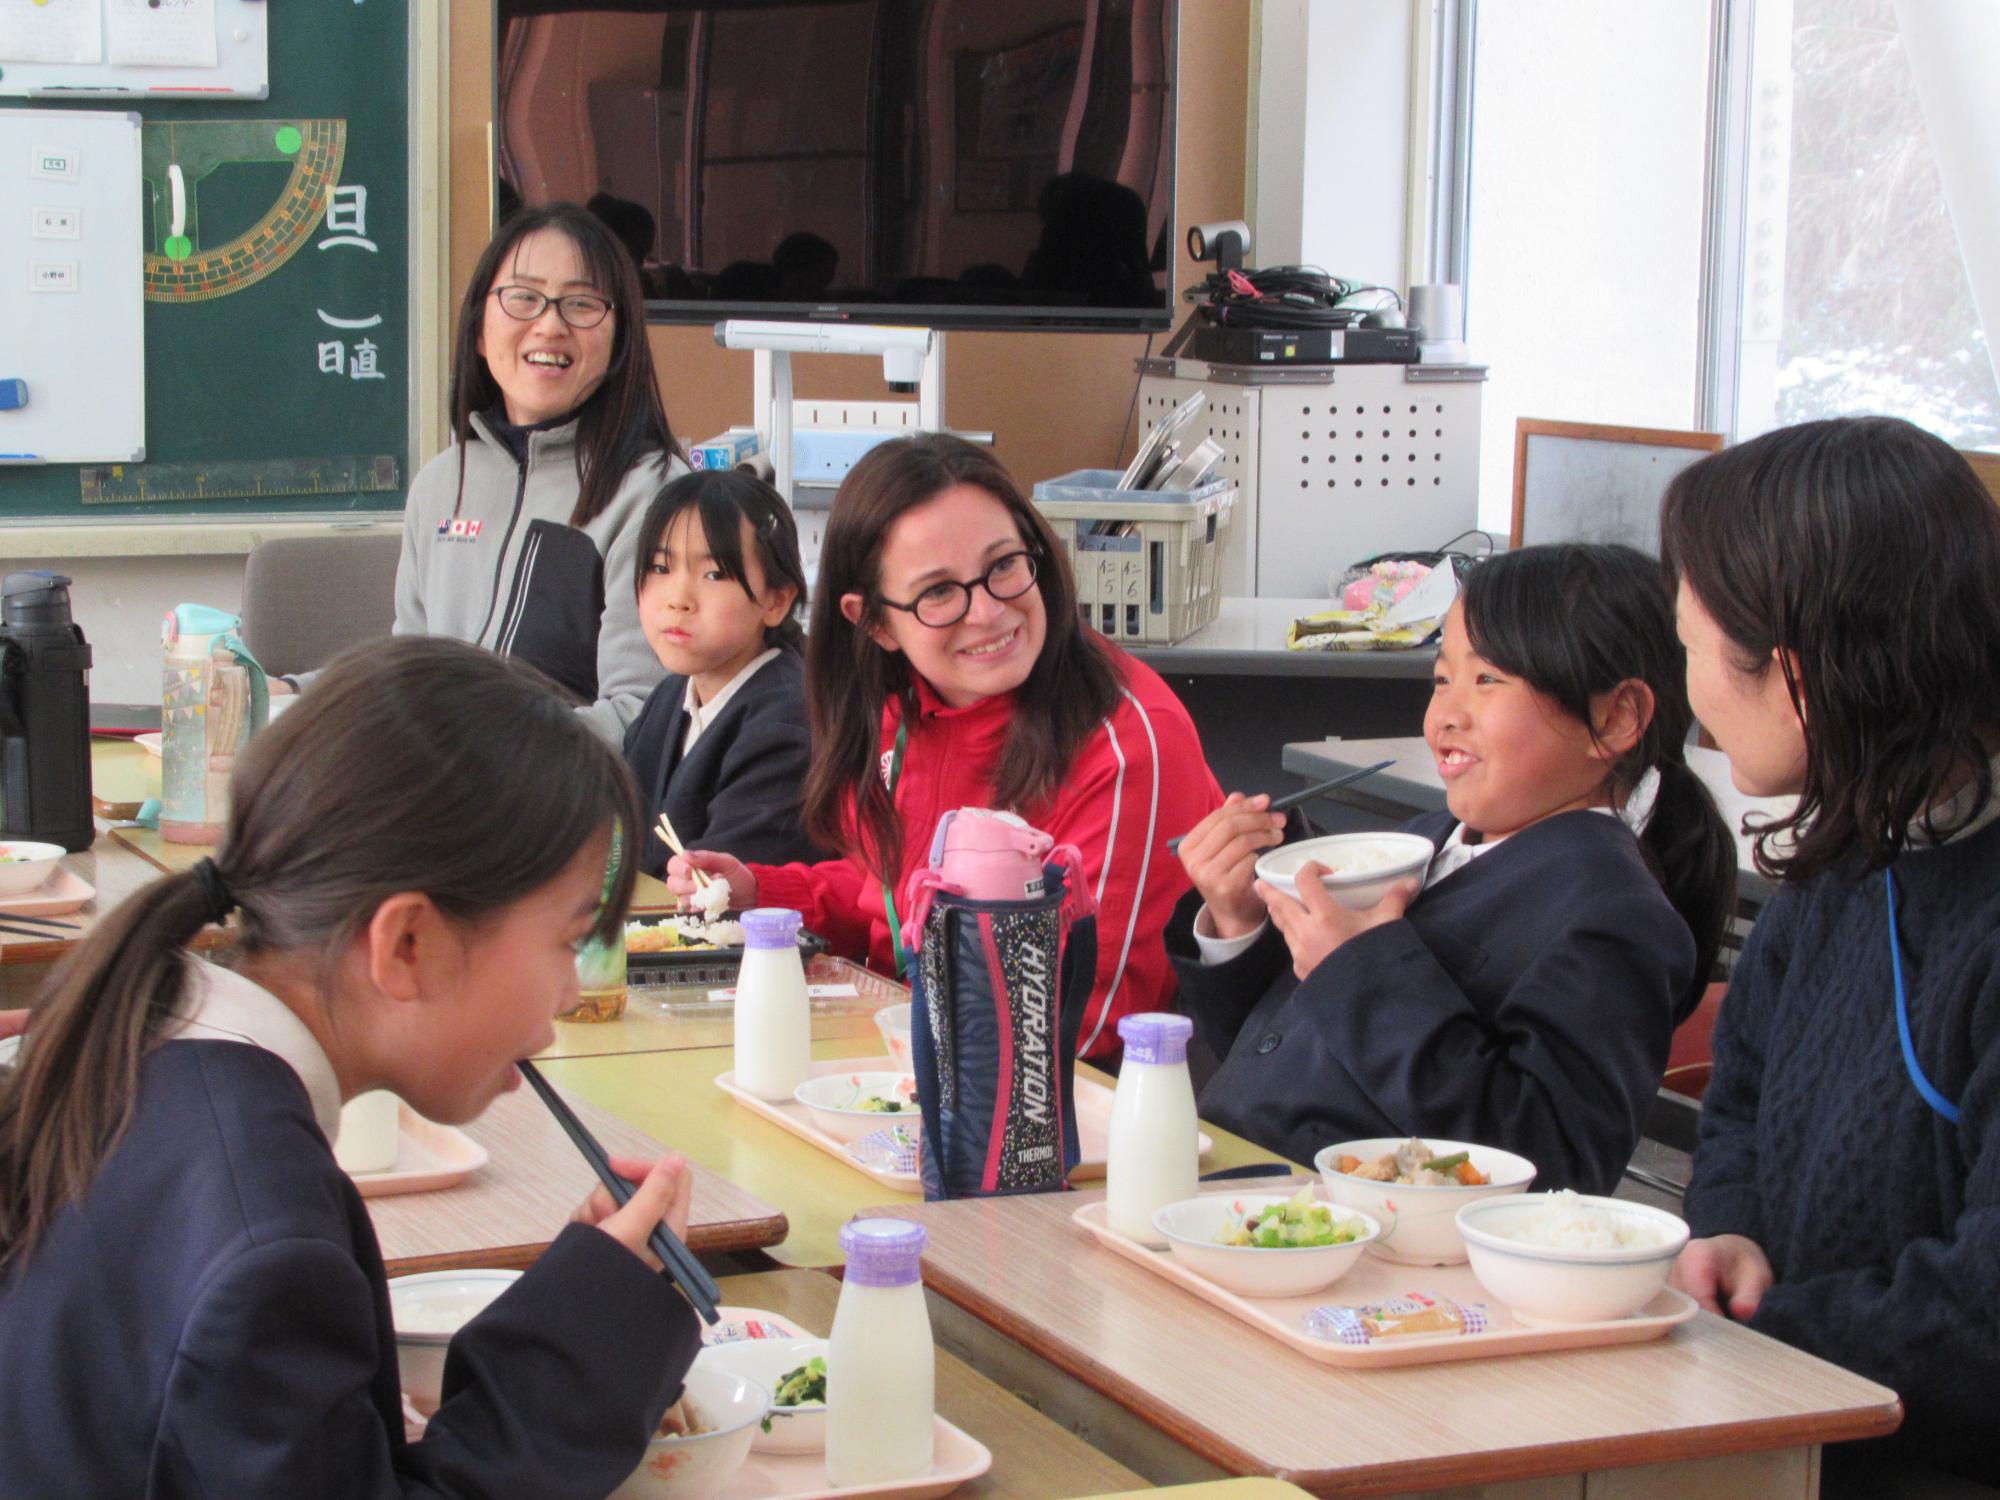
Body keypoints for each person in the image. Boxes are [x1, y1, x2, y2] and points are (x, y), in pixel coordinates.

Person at [0, 637, 701, 1498]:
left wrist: (582, 1302)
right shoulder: (269, 1255)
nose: (567, 992)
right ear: (407, 944)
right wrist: (585, 1345)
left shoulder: (137, 1047)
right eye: (567, 941)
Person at [1170, 544, 1734, 1192]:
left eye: (1487, 679)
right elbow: (1287, 1055)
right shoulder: (1424, 842)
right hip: (1240, 1196)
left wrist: (1354, 971)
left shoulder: (1615, 917)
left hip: (1370, 1264)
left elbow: (1554, 1167)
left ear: (1615, 718)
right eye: (1442, 678)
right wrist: (1240, 922)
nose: (1446, 715)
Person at [1663, 417, 2000, 1495]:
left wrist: (1737, 1333)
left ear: (1798, 672)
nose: (1691, 694)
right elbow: (1741, 1107)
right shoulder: (1848, 855)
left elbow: (1982, 1328)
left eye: (1691, 650)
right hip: (1794, 1430)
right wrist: (1723, 1236)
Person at [666, 433, 1221, 1063]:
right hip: (907, 1069)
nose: (986, 612)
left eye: (1004, 565)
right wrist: (760, 893)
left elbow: (1083, 1026)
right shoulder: (899, 706)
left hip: (1055, 1121)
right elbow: (882, 891)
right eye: (937, 592)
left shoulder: (1128, 743)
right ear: (873, 622)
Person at [378, 201, 685, 743]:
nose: (550, 325)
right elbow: (409, 674)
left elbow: (641, 717)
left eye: (581, 304)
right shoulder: (441, 485)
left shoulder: (654, 494)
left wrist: (485, 756)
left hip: (566, 810)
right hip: (443, 794)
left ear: (619, 343)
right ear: (478, 328)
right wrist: (283, 690)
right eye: (523, 298)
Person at [624, 469, 826, 875]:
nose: (678, 599)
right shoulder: (669, 697)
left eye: (714, 574)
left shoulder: (787, 723)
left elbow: (724, 889)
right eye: (660, 568)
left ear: (776, 600)